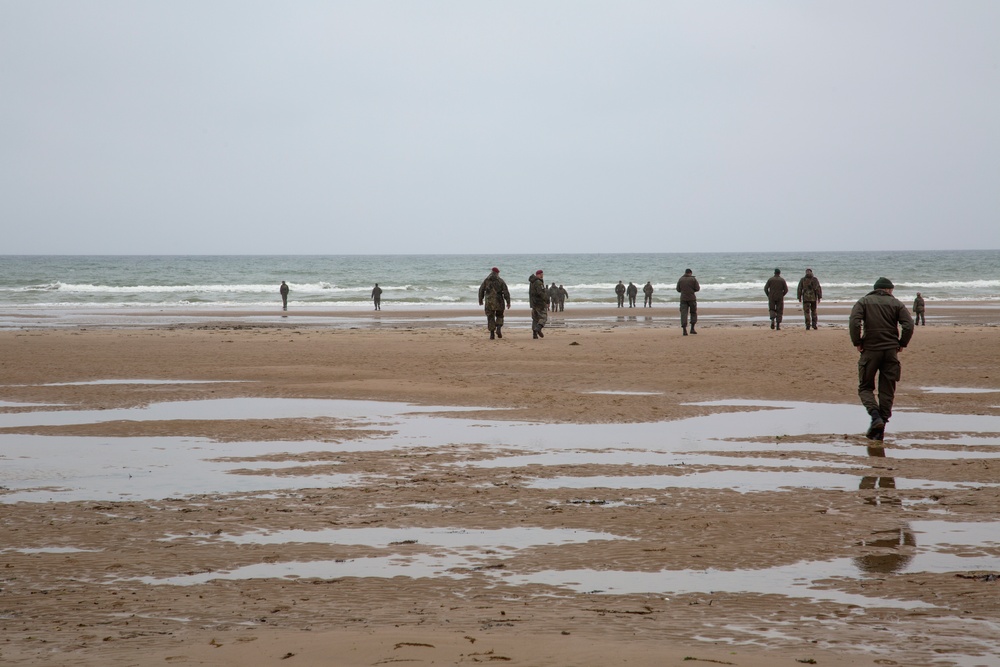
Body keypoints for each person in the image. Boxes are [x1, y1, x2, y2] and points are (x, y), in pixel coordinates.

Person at [849, 277, 914, 441]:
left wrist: (857, 342)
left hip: (870, 350)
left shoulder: (863, 302)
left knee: (865, 387)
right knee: (887, 390)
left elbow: (854, 322)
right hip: (891, 351)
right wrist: (902, 343)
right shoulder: (897, 304)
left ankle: (875, 416)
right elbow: (909, 325)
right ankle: (880, 426)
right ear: (889, 290)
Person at [478, 267, 511, 340]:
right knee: (500, 315)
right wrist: (508, 302)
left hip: (489, 302)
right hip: (499, 301)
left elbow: (481, 290)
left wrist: (480, 299)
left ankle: (492, 334)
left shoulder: (486, 280)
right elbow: (506, 292)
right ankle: (498, 327)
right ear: (497, 273)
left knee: (490, 317)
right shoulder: (500, 281)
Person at [676, 269, 700, 335]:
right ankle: (692, 328)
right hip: (692, 298)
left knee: (684, 314)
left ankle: (684, 330)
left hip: (683, 298)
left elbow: (678, 289)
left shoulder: (680, 279)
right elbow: (697, 288)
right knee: (693, 313)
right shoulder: (693, 279)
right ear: (690, 273)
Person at [529, 269, 548, 339]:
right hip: (540, 303)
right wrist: (547, 301)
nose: (542, 276)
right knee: (543, 317)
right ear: (539, 274)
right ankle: (538, 328)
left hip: (534, 303)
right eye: (541, 274)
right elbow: (541, 293)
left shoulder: (532, 282)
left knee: (535, 319)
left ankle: (534, 334)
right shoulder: (538, 282)